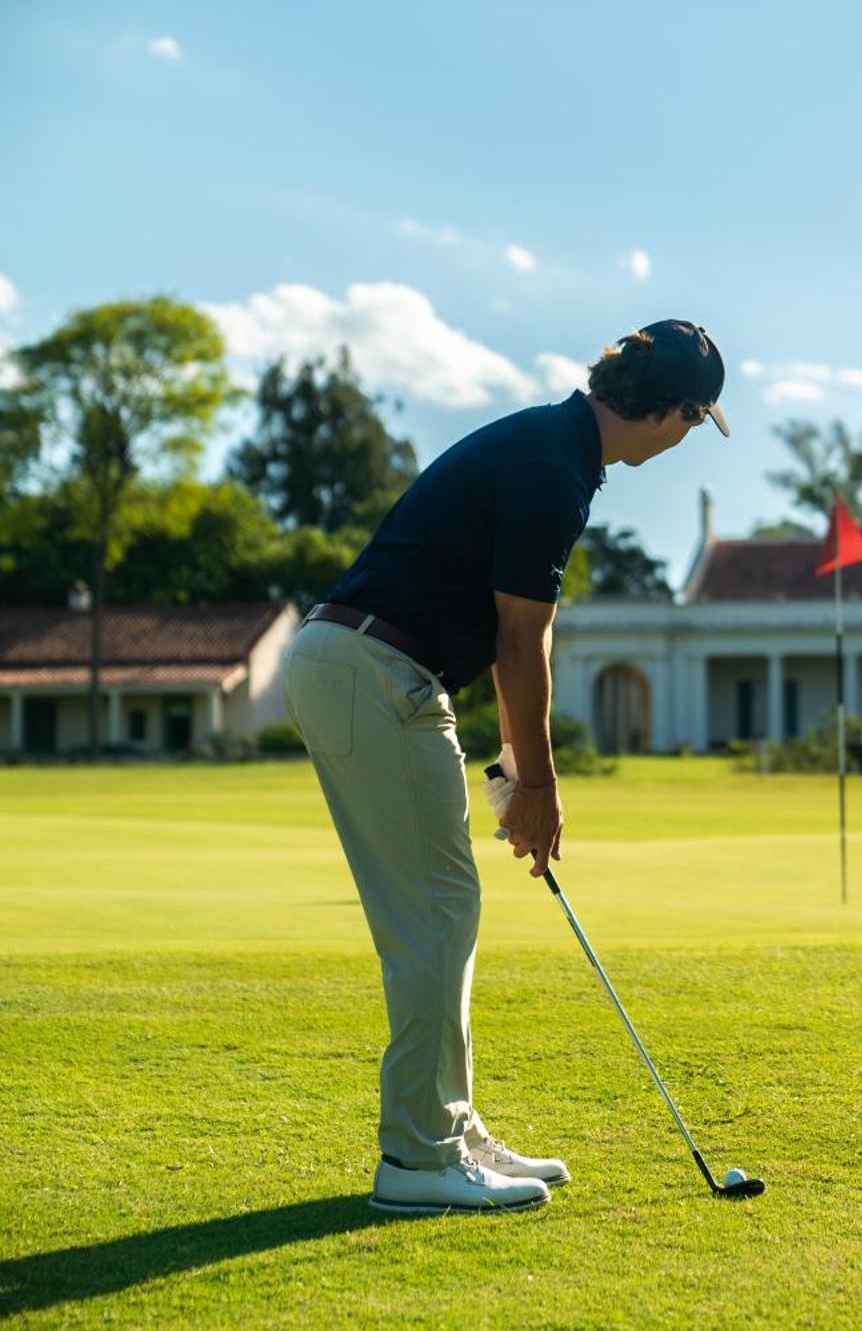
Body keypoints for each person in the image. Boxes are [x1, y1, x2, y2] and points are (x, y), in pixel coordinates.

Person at [282, 320, 730, 1214]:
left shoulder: (555, 447)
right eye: (694, 421)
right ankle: (418, 1157)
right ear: (673, 410)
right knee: (436, 913)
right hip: (375, 670)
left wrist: (519, 764)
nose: (686, 439)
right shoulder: (553, 468)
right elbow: (519, 641)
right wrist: (537, 789)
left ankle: (448, 1125)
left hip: (369, 668)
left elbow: (521, 633)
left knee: (446, 906)